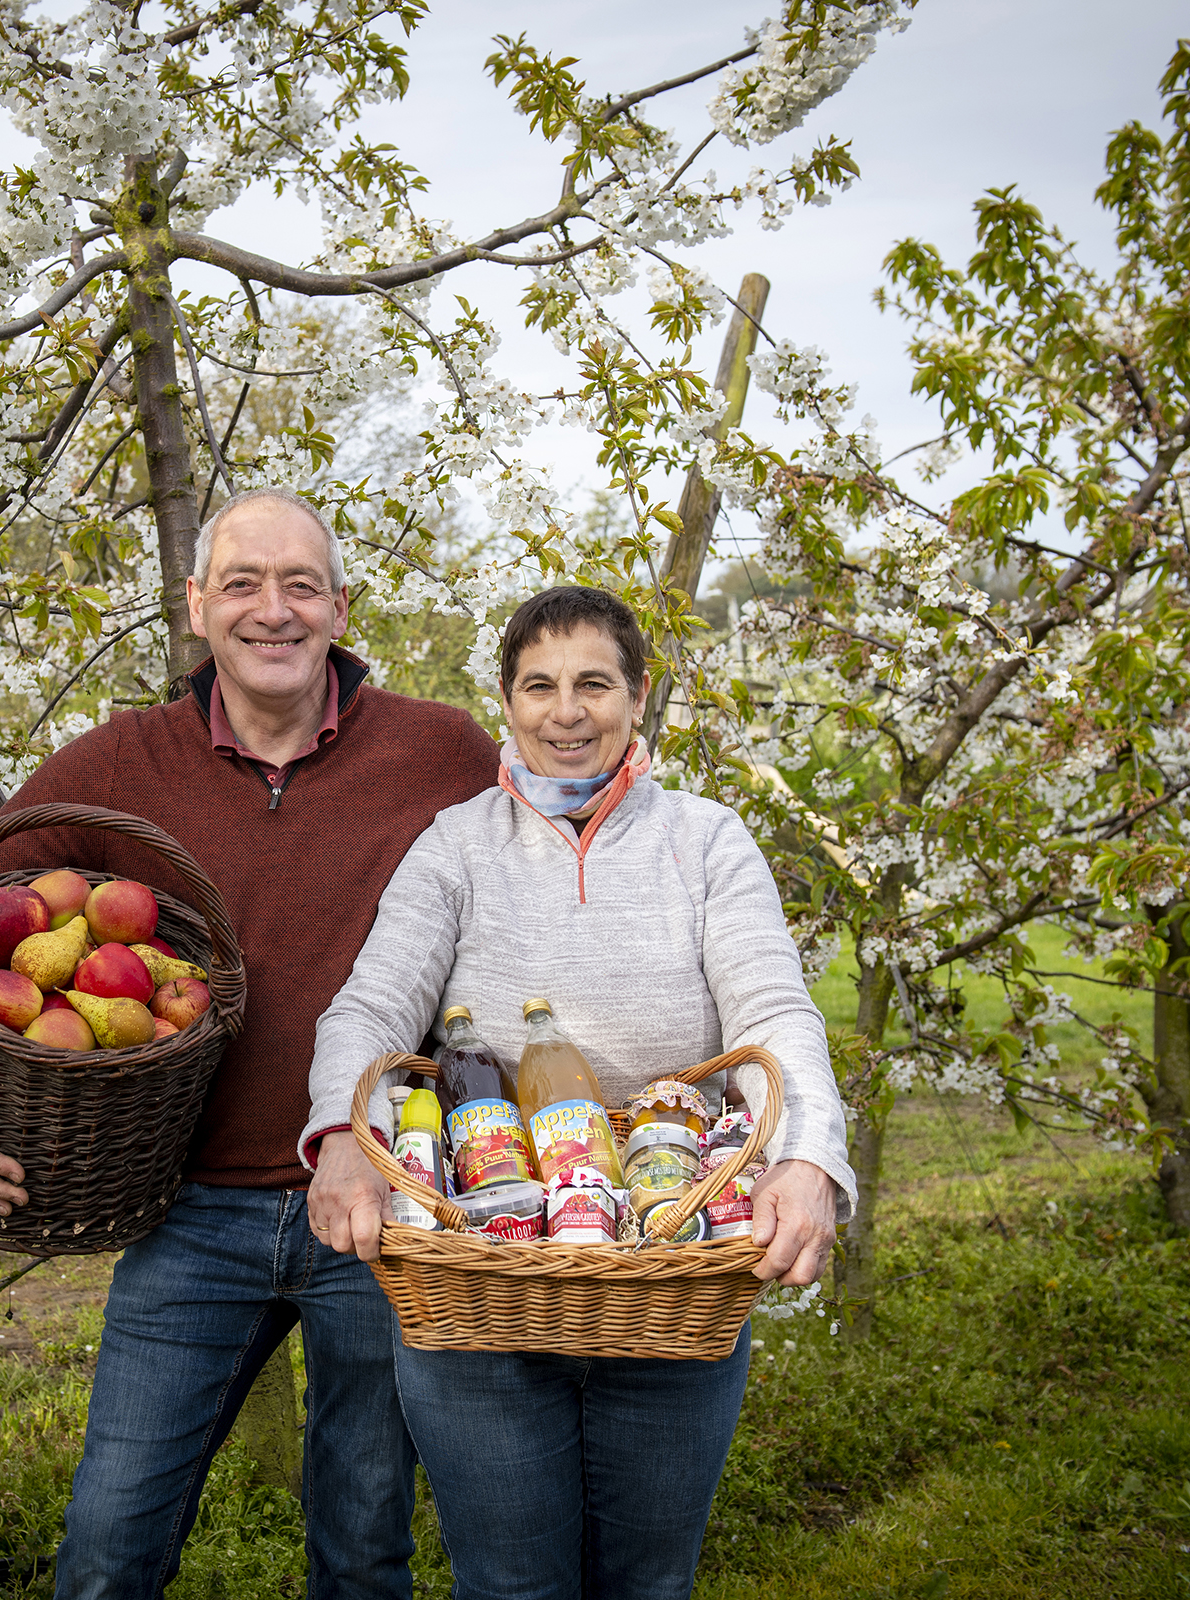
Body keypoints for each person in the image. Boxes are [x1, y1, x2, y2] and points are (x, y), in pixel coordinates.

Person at [0, 487, 501, 1600]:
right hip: (193, 1213)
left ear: (341, 607)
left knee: (365, 1547)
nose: (274, 610)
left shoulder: (440, 751)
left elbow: (556, 842)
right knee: (110, 1541)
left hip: (379, 1199)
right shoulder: (123, 764)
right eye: (243, 584)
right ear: (198, 606)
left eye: (301, 585)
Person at [302, 584, 854, 1600]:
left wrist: (810, 1158)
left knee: (649, 1583)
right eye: (539, 686)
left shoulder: (705, 838)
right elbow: (371, 1009)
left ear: (639, 695)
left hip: (671, 1264)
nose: (567, 712)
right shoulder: (456, 843)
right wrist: (343, 1131)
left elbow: (775, 1011)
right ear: (507, 702)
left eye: (594, 684)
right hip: (486, 1279)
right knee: (510, 1586)